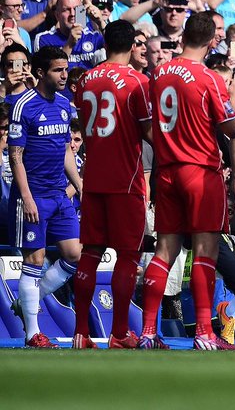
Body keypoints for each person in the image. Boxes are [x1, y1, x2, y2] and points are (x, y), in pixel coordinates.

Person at [140, 12, 235, 350]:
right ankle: (203, 332)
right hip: (200, 171)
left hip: (166, 170)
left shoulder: (159, 72)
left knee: (164, 251)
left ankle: (146, 332)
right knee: (205, 252)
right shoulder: (209, 78)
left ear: (184, 33)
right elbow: (230, 127)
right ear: (213, 40)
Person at [70, 21, 152, 349]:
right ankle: (119, 333)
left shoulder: (86, 80)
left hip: (93, 178)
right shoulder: (137, 82)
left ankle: (80, 332)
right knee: (128, 256)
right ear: (133, 45)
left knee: (90, 253)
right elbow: (148, 131)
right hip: (126, 179)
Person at [7, 46, 82, 348]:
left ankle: (25, 302)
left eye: (66, 69)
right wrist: (26, 197)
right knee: (35, 260)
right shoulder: (23, 105)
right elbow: (15, 155)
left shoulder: (64, 104)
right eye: (57, 70)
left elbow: (66, 150)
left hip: (59, 194)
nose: (64, 75)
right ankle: (32, 333)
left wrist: (80, 183)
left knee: (75, 255)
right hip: (33, 195)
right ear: (40, 73)